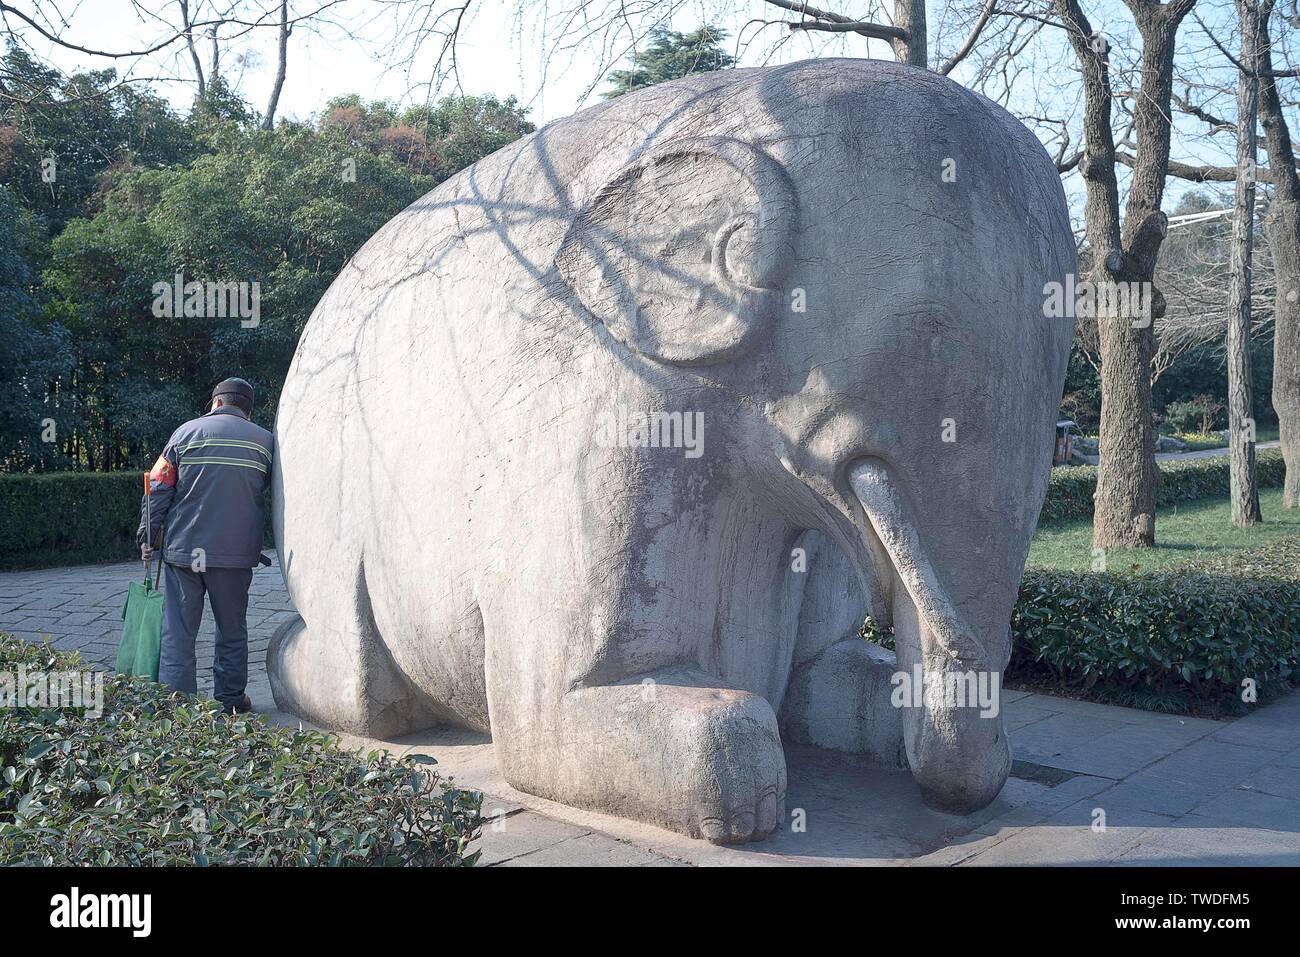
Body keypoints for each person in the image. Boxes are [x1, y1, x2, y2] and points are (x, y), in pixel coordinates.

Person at [137, 377, 274, 713]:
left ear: (215, 403)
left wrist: (148, 538)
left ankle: (178, 704)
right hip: (234, 556)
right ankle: (229, 700)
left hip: (185, 553)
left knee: (179, 631)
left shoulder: (184, 434)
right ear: (248, 410)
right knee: (232, 630)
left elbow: (157, 487)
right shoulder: (266, 442)